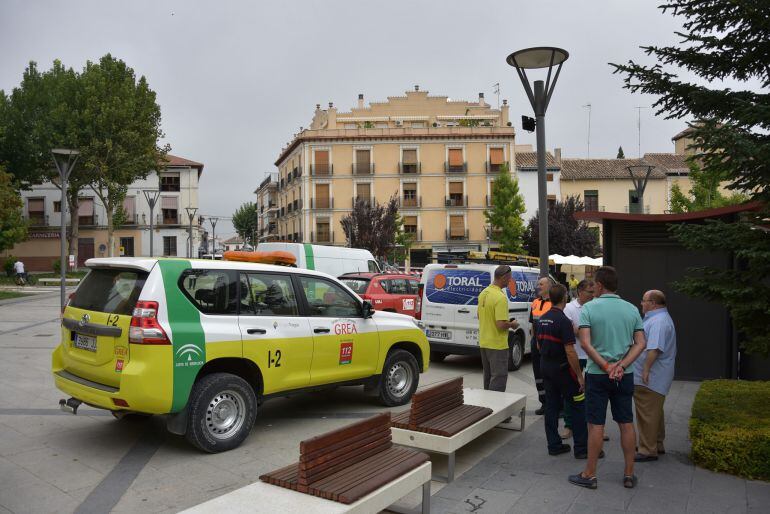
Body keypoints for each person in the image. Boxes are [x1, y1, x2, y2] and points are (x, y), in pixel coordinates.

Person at [568, 266, 647, 490]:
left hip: (597, 374)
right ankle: (629, 474)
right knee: (626, 423)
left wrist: (605, 365)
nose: (592, 289)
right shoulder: (632, 309)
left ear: (600, 285)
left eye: (594, 285)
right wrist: (621, 365)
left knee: (595, 425)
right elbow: (641, 343)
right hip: (625, 374)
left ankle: (589, 474)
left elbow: (585, 342)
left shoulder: (589, 309)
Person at [537, 284, 589, 458]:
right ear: (565, 298)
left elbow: (538, 345)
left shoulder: (542, 318)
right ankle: (581, 449)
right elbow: (570, 351)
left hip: (546, 367)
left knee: (551, 407)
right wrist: (580, 376)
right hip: (563, 370)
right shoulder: (564, 321)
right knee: (578, 405)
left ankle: (554, 445)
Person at [634, 289, 677, 462]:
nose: (641, 303)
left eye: (644, 301)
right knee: (654, 412)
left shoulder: (658, 321)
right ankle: (656, 443)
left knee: (647, 413)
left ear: (653, 303)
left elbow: (655, 348)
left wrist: (645, 370)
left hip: (651, 377)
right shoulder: (659, 319)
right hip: (656, 376)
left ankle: (647, 449)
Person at [560, 279, 594, 440]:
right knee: (572, 392)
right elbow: (569, 329)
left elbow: (577, 329)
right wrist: (588, 333)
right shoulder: (569, 308)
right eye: (590, 292)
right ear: (580, 291)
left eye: (594, 292)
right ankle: (569, 425)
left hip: (593, 357)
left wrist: (580, 331)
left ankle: (594, 425)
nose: (593, 295)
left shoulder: (595, 307)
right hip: (577, 356)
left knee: (593, 393)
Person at [478, 265, 520, 392]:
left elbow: (479, 315)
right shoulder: (500, 297)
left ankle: (487, 405)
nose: (510, 281)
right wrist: (512, 324)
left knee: (488, 376)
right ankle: (496, 407)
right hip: (497, 345)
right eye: (510, 278)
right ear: (503, 277)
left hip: (484, 342)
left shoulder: (483, 293)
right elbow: (501, 325)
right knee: (499, 377)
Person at [529, 276, 553, 415]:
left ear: (550, 286)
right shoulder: (535, 302)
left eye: (542, 284)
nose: (539, 286)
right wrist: (533, 341)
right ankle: (544, 402)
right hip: (536, 343)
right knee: (538, 374)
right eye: (538, 284)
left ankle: (554, 403)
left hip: (548, 343)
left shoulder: (555, 303)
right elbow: (533, 324)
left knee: (550, 374)